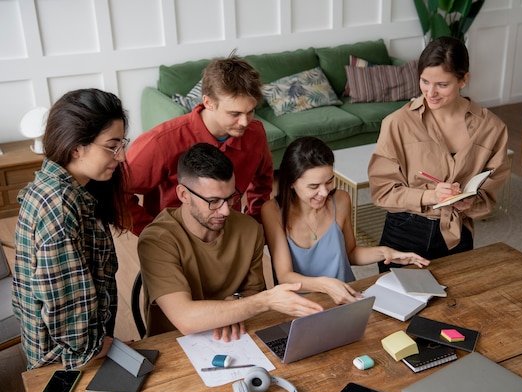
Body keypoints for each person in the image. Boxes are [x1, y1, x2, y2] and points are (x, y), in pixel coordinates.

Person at [137, 143, 323, 341]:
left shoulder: (249, 229)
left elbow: (252, 289)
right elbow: (186, 319)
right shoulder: (156, 240)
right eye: (214, 201)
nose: (226, 210)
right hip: (175, 346)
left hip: (238, 336)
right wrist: (267, 300)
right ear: (183, 195)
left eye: (231, 197)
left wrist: (237, 301)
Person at [12, 89, 132, 370]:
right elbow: (62, 298)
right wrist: (88, 348)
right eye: (112, 145)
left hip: (73, 346)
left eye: (122, 143)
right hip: (68, 359)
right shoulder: (59, 203)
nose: (122, 156)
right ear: (77, 147)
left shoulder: (63, 186)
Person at [368, 36, 510, 273]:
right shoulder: (398, 123)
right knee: (397, 306)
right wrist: (431, 196)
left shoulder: (491, 129)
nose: (430, 93)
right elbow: (382, 191)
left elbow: (489, 192)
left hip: (457, 233)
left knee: (457, 305)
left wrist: (469, 201)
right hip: (405, 231)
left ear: (464, 79)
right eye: (424, 81)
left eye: (442, 85)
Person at [261, 137, 430, 306]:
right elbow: (284, 276)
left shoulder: (341, 199)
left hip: (347, 298)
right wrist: (326, 285)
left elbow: (350, 254)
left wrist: (387, 252)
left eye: (329, 182)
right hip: (301, 306)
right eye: (314, 186)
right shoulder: (272, 211)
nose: (324, 192)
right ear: (291, 182)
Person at [126, 53, 274, 235]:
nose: (244, 122)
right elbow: (116, 196)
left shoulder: (255, 133)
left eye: (250, 111)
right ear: (208, 103)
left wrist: (254, 221)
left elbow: (264, 180)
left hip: (228, 234)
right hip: (175, 241)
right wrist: (155, 235)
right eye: (234, 114)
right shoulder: (161, 142)